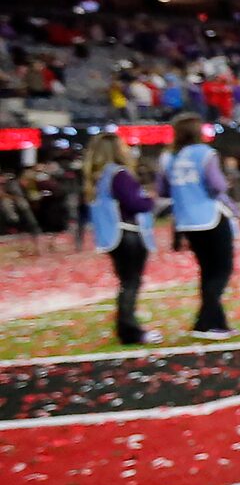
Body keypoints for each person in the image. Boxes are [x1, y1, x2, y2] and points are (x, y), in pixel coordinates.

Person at [164, 114, 235, 339]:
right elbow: (217, 185)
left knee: (207, 270)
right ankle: (207, 322)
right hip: (210, 216)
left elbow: (164, 189)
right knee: (222, 269)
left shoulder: (169, 158)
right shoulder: (205, 154)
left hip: (186, 220)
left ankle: (214, 322)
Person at [83, 131, 155, 346]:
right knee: (131, 282)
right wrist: (150, 201)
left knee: (126, 282)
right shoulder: (119, 174)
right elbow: (134, 204)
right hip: (127, 232)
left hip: (112, 236)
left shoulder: (98, 177)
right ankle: (130, 330)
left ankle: (126, 327)